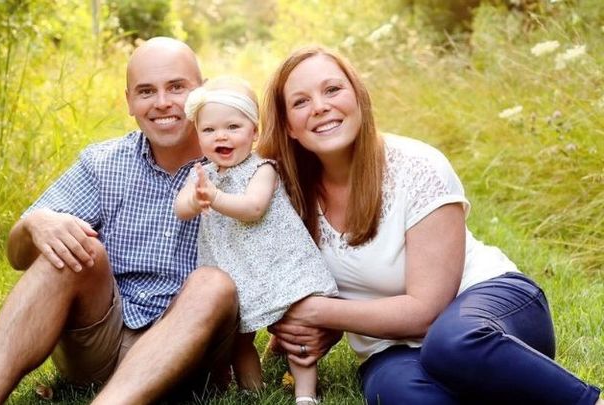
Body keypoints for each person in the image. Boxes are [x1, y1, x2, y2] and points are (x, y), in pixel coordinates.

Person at [258, 45, 603, 405]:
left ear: (358, 97)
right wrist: (294, 335)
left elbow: (426, 312)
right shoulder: (281, 194)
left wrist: (317, 312)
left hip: (487, 315)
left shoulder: (418, 165)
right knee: (400, 393)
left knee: (451, 344)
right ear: (288, 125)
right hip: (390, 348)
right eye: (300, 102)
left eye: (332, 89)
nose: (319, 106)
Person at [0, 37, 240, 405]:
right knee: (76, 248)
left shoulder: (238, 169)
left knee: (213, 284)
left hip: (188, 351)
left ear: (202, 93)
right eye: (146, 91)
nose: (161, 102)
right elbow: (17, 255)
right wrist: (36, 224)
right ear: (129, 101)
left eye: (176, 87)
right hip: (100, 339)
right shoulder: (104, 163)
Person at [173, 76, 338, 405]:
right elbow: (180, 209)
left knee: (296, 327)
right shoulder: (201, 174)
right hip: (235, 266)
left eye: (233, 127)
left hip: (276, 262)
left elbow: (252, 208)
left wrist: (214, 197)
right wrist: (194, 200)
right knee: (240, 337)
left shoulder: (262, 169)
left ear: (254, 132)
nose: (221, 136)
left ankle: (305, 394)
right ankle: (253, 392)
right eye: (209, 130)